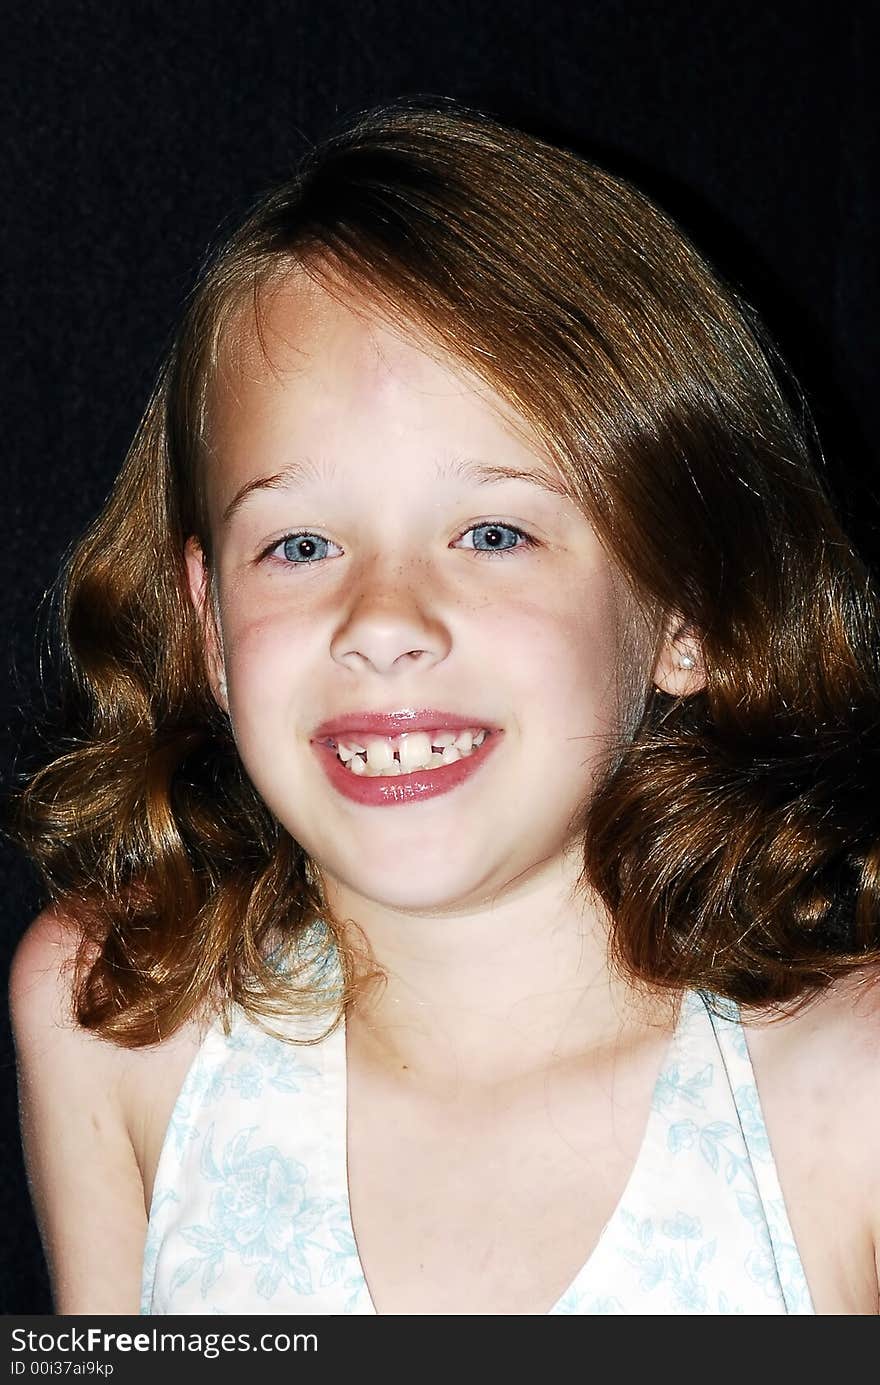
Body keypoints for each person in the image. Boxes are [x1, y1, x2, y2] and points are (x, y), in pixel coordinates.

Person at [8, 97, 880, 1317]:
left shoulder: (848, 1097)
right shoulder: (111, 1023)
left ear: (688, 608)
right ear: (209, 627)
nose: (381, 619)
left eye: (491, 531)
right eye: (302, 541)